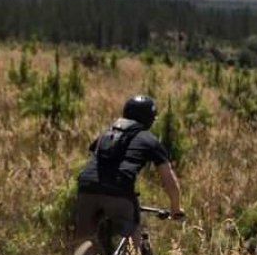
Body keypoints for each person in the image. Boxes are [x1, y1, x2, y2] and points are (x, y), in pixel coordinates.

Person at [75, 95, 184, 244]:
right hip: (119, 189)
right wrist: (176, 207)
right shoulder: (149, 139)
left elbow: (91, 158)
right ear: (149, 119)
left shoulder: (106, 134)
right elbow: (168, 179)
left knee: (83, 241)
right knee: (131, 243)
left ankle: (83, 254)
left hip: (86, 187)